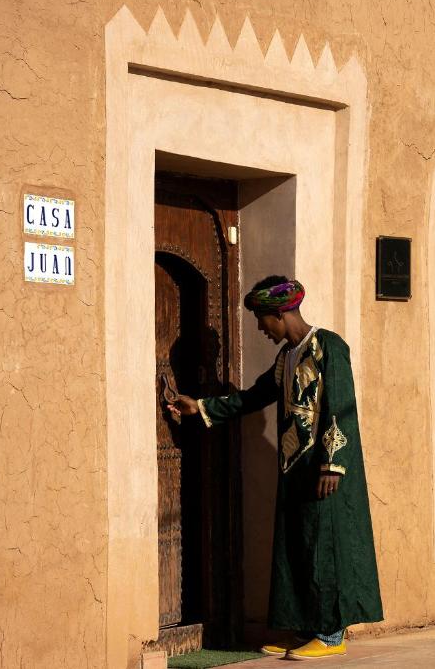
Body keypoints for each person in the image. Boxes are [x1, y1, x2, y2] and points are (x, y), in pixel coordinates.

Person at [168, 275, 383, 660]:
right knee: (298, 547)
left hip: (325, 470)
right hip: (294, 468)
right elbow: (253, 398)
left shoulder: (328, 347)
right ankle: (305, 629)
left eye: (261, 320)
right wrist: (200, 407)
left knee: (325, 546)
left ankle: (332, 634)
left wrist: (333, 465)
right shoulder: (287, 358)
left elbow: (342, 408)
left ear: (280, 313)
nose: (260, 329)